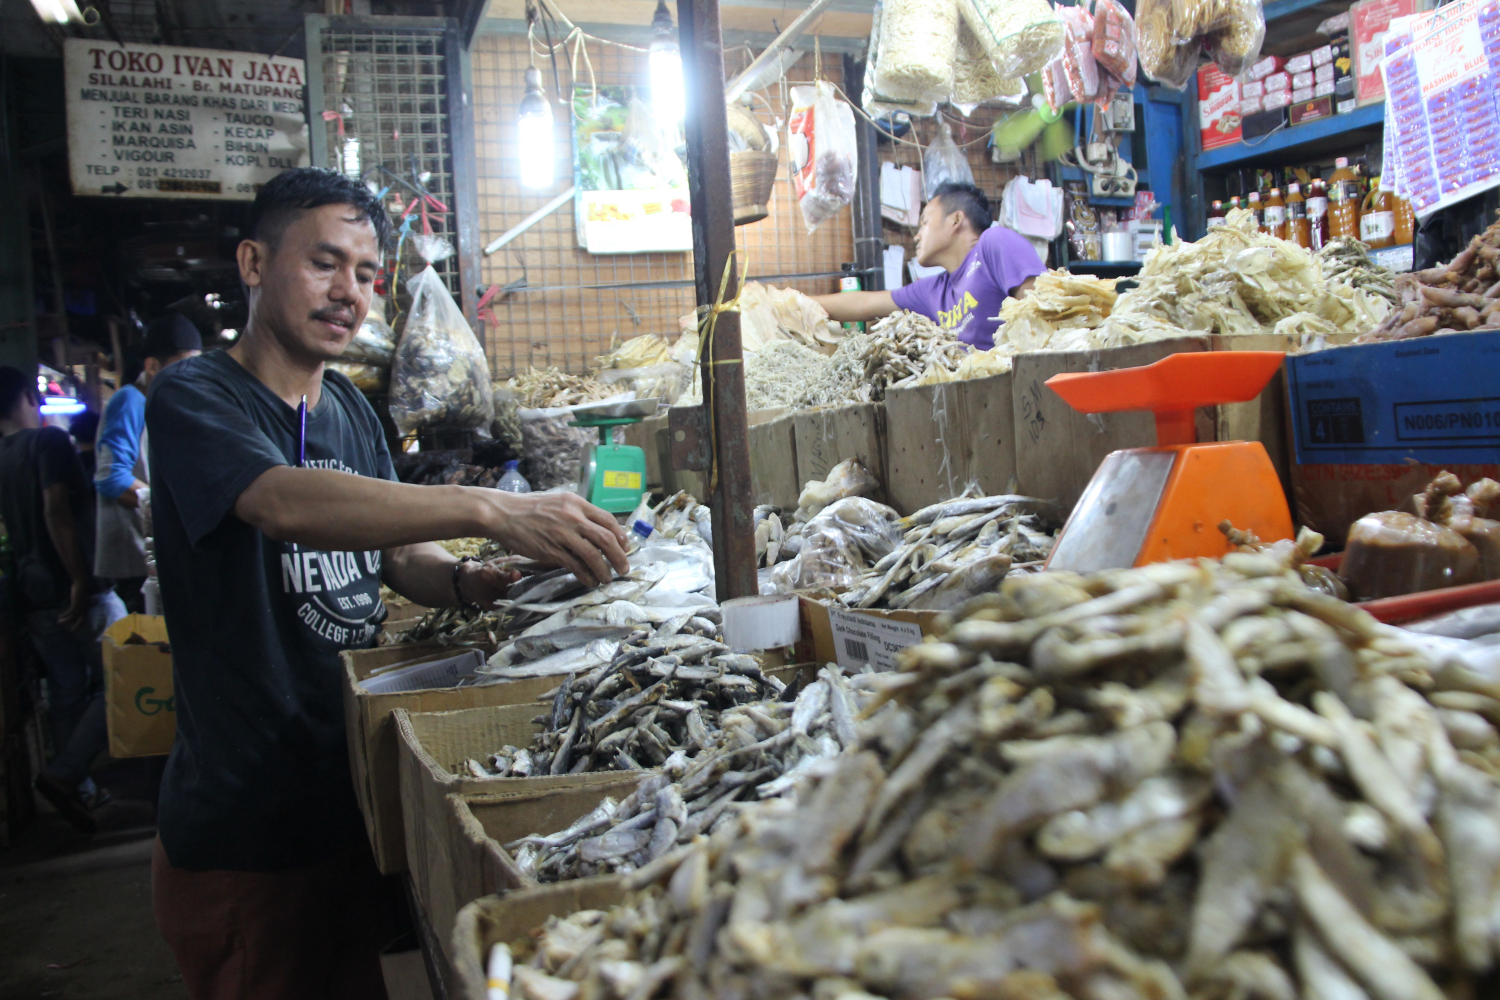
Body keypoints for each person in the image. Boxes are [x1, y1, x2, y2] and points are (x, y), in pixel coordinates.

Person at [145, 166, 631, 1000]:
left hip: (353, 804)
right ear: (254, 263)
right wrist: (488, 506)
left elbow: (399, 558)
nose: (350, 293)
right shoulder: (195, 396)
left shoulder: (346, 408)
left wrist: (477, 581)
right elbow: (278, 502)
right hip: (251, 831)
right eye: (324, 263)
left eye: (367, 275)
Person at [0, 365, 127, 834]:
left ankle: (80, 789)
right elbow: (56, 507)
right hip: (75, 588)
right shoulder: (49, 441)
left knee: (67, 691)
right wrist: (78, 577)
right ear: (29, 398)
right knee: (125, 676)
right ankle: (65, 773)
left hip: (33, 593)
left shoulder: (4, 455)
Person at [811, 181, 1046, 350]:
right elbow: (864, 303)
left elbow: (1045, 314)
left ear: (956, 219)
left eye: (924, 222)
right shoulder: (934, 291)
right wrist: (794, 300)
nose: (916, 236)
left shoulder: (995, 243)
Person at [94, 314, 202, 613]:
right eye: (183, 365)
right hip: (134, 559)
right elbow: (111, 477)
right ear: (152, 365)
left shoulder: (159, 405)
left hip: (150, 557)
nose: (191, 376)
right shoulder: (130, 400)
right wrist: (169, 509)